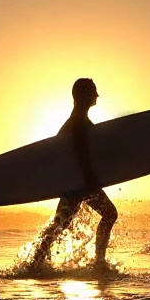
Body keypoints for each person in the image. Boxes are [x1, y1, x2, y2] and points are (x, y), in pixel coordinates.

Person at [30, 78, 118, 270]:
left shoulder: (76, 120)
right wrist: (89, 179)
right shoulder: (78, 122)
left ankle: (35, 263)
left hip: (75, 183)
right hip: (80, 183)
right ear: (85, 95)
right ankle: (99, 262)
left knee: (59, 225)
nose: (97, 96)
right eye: (94, 92)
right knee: (109, 214)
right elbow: (80, 153)